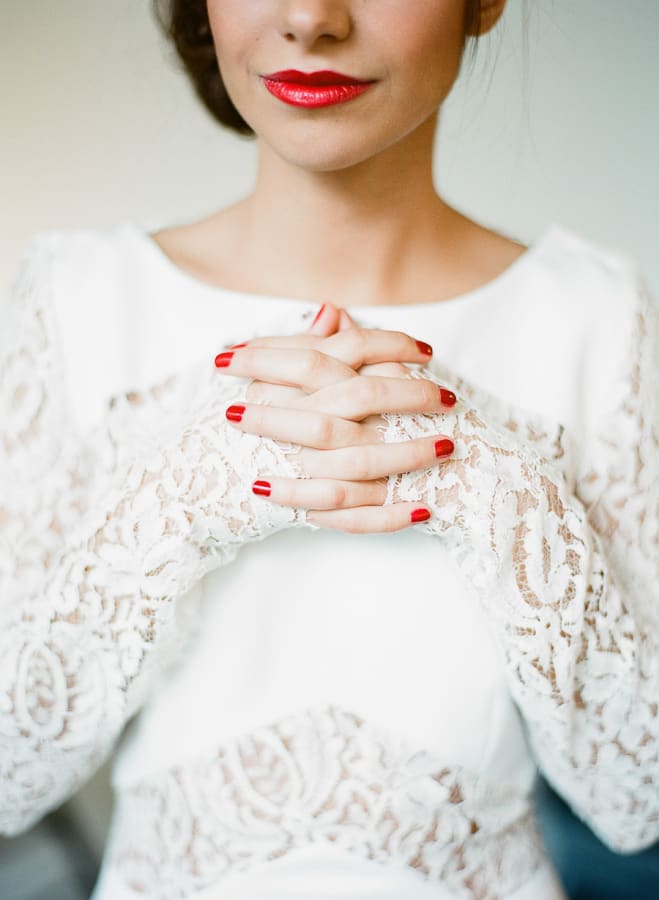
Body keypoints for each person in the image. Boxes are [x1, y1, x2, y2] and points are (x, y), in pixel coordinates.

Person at [0, 1, 657, 898]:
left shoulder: (594, 314)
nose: (310, 18)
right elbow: (9, 778)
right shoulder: (80, 297)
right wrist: (187, 494)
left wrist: (492, 485)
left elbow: (635, 802)